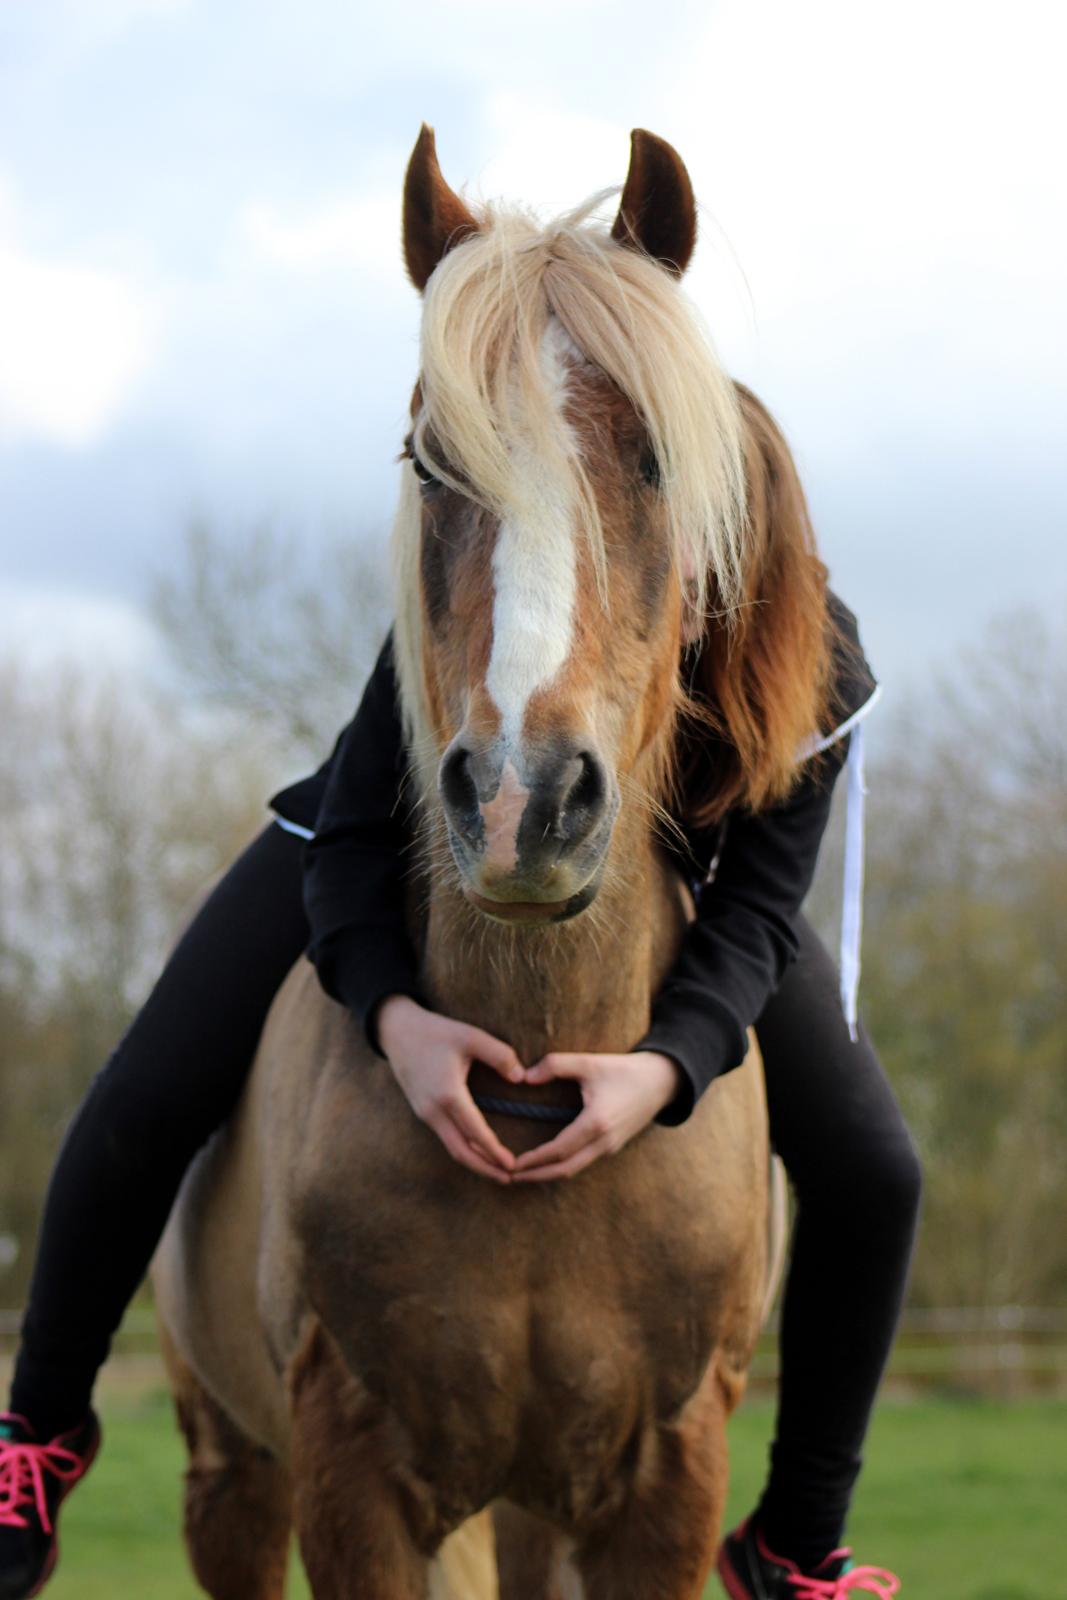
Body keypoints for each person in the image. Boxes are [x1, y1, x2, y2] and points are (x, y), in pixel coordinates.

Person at [0, 572, 919, 1600]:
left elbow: (758, 900)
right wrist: (392, 1015)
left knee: (877, 1171)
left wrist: (669, 1063)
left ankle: (795, 1536)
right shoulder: (511, 554)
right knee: (144, 1094)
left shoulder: (808, 639)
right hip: (405, 827)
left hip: (678, 877)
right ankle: (36, 1434)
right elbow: (350, 841)